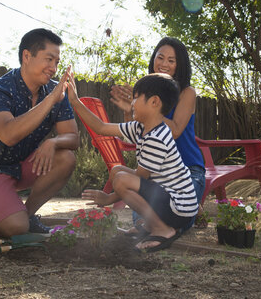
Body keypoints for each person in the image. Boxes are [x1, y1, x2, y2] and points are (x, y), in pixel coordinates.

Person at [0, 28, 79, 238]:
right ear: (27, 56)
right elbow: (8, 135)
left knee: (66, 158)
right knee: (16, 229)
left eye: (57, 62)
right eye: (49, 59)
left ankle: (28, 214)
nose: (54, 68)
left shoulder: (55, 91)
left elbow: (73, 138)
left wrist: (53, 142)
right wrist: (51, 99)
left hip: (22, 164)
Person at [67, 72, 198, 252]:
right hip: (168, 199)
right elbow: (101, 127)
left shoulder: (157, 137)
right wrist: (75, 101)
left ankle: (162, 229)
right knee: (117, 172)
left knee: (121, 179)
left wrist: (109, 198)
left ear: (154, 102)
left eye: (136, 98)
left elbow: (140, 179)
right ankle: (153, 225)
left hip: (180, 208)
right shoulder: (141, 127)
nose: (132, 103)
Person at [110, 37, 206, 231]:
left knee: (175, 222)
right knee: (143, 225)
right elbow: (135, 135)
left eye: (171, 61)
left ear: (180, 65)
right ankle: (194, 208)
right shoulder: (145, 89)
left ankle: (194, 208)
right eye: (160, 57)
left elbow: (176, 131)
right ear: (153, 58)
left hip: (187, 171)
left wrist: (149, 109)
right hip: (156, 172)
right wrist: (131, 111)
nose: (164, 64)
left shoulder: (187, 93)